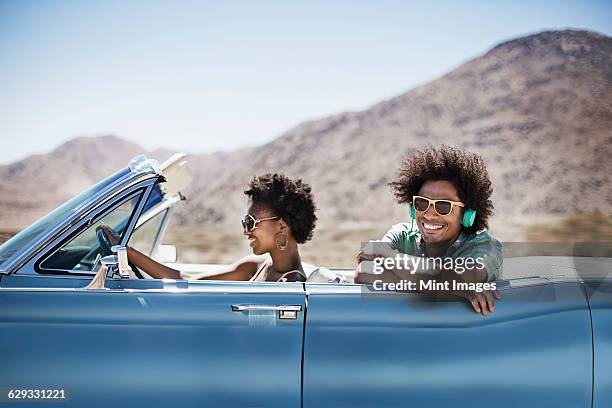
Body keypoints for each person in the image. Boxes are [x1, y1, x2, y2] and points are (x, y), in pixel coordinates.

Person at [355, 144, 503, 315]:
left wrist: (385, 254)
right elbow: (363, 272)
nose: (429, 214)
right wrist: (457, 289)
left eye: (443, 206)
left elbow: (446, 278)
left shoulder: (486, 248)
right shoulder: (402, 235)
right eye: (422, 203)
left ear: (466, 214)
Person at [100, 173, 317, 282]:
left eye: (251, 223)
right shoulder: (256, 265)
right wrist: (129, 253)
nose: (245, 231)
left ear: (281, 225)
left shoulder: (293, 282)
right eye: (244, 223)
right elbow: (187, 281)